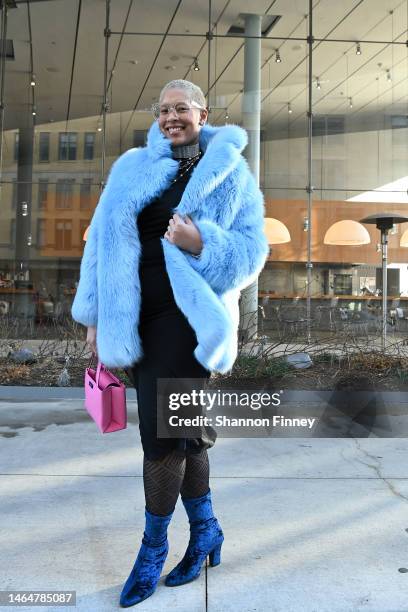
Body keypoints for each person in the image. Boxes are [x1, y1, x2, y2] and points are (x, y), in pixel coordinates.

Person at [71, 79, 268, 608]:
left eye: (181, 108)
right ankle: (207, 532)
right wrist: (93, 319)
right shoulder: (132, 167)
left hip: (186, 320)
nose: (170, 117)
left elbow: (253, 251)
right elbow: (101, 242)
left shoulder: (230, 172)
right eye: (163, 109)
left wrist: (200, 241)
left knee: (161, 439)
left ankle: (152, 549)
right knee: (184, 433)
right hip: (134, 316)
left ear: (203, 114)